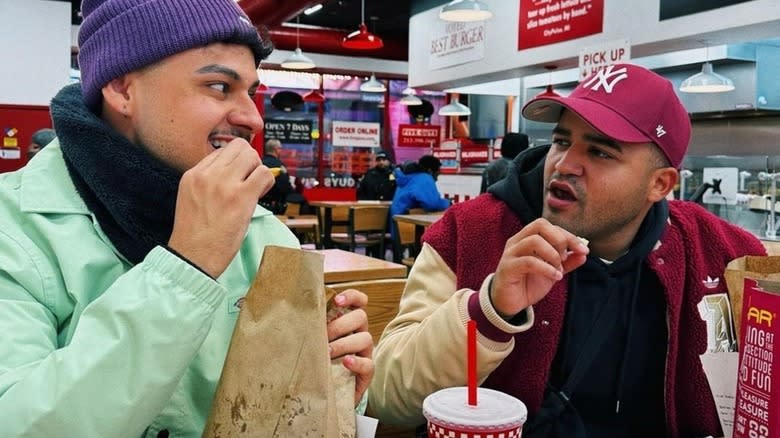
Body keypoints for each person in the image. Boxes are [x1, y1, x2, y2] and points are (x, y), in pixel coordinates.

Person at [0, 0, 373, 436]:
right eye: (218, 86)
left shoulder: (264, 234)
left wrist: (333, 380)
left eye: (250, 91)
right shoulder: (15, 225)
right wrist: (187, 266)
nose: (252, 117)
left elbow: (280, 413)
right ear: (121, 89)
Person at [369, 64, 766, 437]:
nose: (564, 164)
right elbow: (387, 399)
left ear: (659, 185)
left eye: (600, 152)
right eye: (561, 140)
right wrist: (490, 309)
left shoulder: (725, 256)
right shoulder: (470, 233)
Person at [259, 138, 302, 214]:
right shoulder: (279, 166)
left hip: (258, 205)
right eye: (280, 148)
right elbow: (285, 187)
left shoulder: (260, 163)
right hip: (274, 207)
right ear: (276, 150)